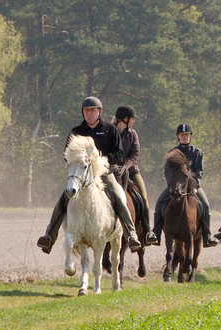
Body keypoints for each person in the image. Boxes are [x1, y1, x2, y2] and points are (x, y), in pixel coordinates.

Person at [37, 97, 142, 254]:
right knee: (64, 198)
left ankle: (131, 234)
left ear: (100, 112)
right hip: (81, 174)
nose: (89, 113)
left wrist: (105, 159)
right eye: (86, 110)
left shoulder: (110, 129)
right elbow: (66, 154)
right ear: (83, 113)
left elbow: (119, 153)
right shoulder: (76, 132)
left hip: (105, 173)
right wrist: (75, 162)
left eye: (93, 110)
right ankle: (49, 237)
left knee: (119, 196)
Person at [151, 123, 219, 247]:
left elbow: (199, 171)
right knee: (159, 202)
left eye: (186, 135)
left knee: (206, 205)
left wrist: (195, 185)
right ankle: (155, 233)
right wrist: (172, 184)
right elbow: (167, 170)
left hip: (192, 185)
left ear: (190, 136)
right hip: (176, 185)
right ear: (178, 136)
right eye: (182, 135)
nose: (184, 137)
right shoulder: (173, 152)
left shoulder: (197, 152)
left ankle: (207, 235)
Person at [112, 105, 158, 245]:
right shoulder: (109, 132)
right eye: (132, 119)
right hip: (111, 170)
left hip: (131, 171)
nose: (134, 122)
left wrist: (125, 167)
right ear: (125, 119)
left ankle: (147, 230)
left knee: (143, 196)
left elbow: (135, 153)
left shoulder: (133, 134)